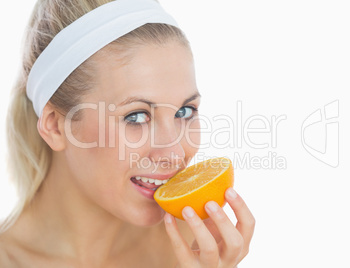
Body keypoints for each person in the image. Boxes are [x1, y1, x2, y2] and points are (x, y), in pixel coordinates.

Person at [0, 0, 255, 267]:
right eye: (136, 117)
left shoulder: (199, 249)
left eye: (184, 112)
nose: (175, 153)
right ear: (54, 126)